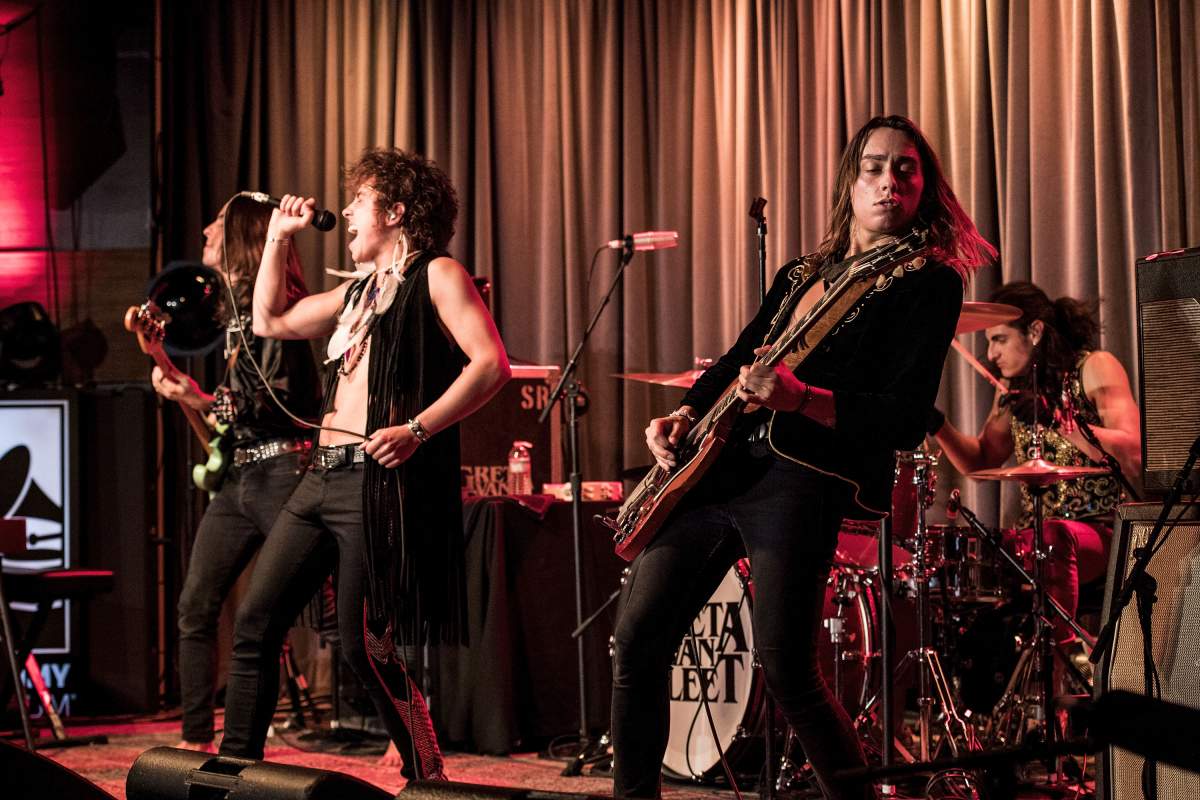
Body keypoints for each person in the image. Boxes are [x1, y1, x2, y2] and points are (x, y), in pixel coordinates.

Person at [610, 115, 996, 800]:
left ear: (924, 187)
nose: (889, 181)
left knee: (788, 669)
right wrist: (684, 414)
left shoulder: (925, 282)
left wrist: (802, 398)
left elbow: (905, 417)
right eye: (875, 167)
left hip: (802, 478)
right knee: (638, 643)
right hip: (720, 467)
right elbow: (737, 358)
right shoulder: (801, 275)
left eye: (906, 169)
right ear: (850, 180)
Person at [218, 148, 511, 781]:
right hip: (319, 477)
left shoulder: (437, 275)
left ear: (397, 212)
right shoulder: (359, 291)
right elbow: (272, 318)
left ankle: (426, 772)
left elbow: (491, 364)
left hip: (374, 484)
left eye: (361, 201)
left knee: (365, 646)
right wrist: (276, 237)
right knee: (255, 621)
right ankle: (234, 773)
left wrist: (416, 428)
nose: (347, 210)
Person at [151, 195, 320, 751]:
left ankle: (401, 728)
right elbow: (238, 399)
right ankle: (196, 739)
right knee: (195, 604)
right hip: (239, 480)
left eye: (218, 223)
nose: (204, 230)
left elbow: (283, 401)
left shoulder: (274, 309)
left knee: (329, 608)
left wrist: (200, 399)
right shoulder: (232, 315)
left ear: (242, 235)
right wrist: (194, 393)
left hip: (280, 471)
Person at [928, 281, 1142, 670]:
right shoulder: (1013, 389)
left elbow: (1133, 450)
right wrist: (937, 424)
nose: (990, 354)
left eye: (999, 340)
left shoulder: (1093, 367)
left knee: (1053, 537)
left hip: (1101, 531)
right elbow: (979, 462)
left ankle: (1058, 669)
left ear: (1036, 331)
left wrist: (1062, 423)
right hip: (1038, 533)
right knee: (966, 556)